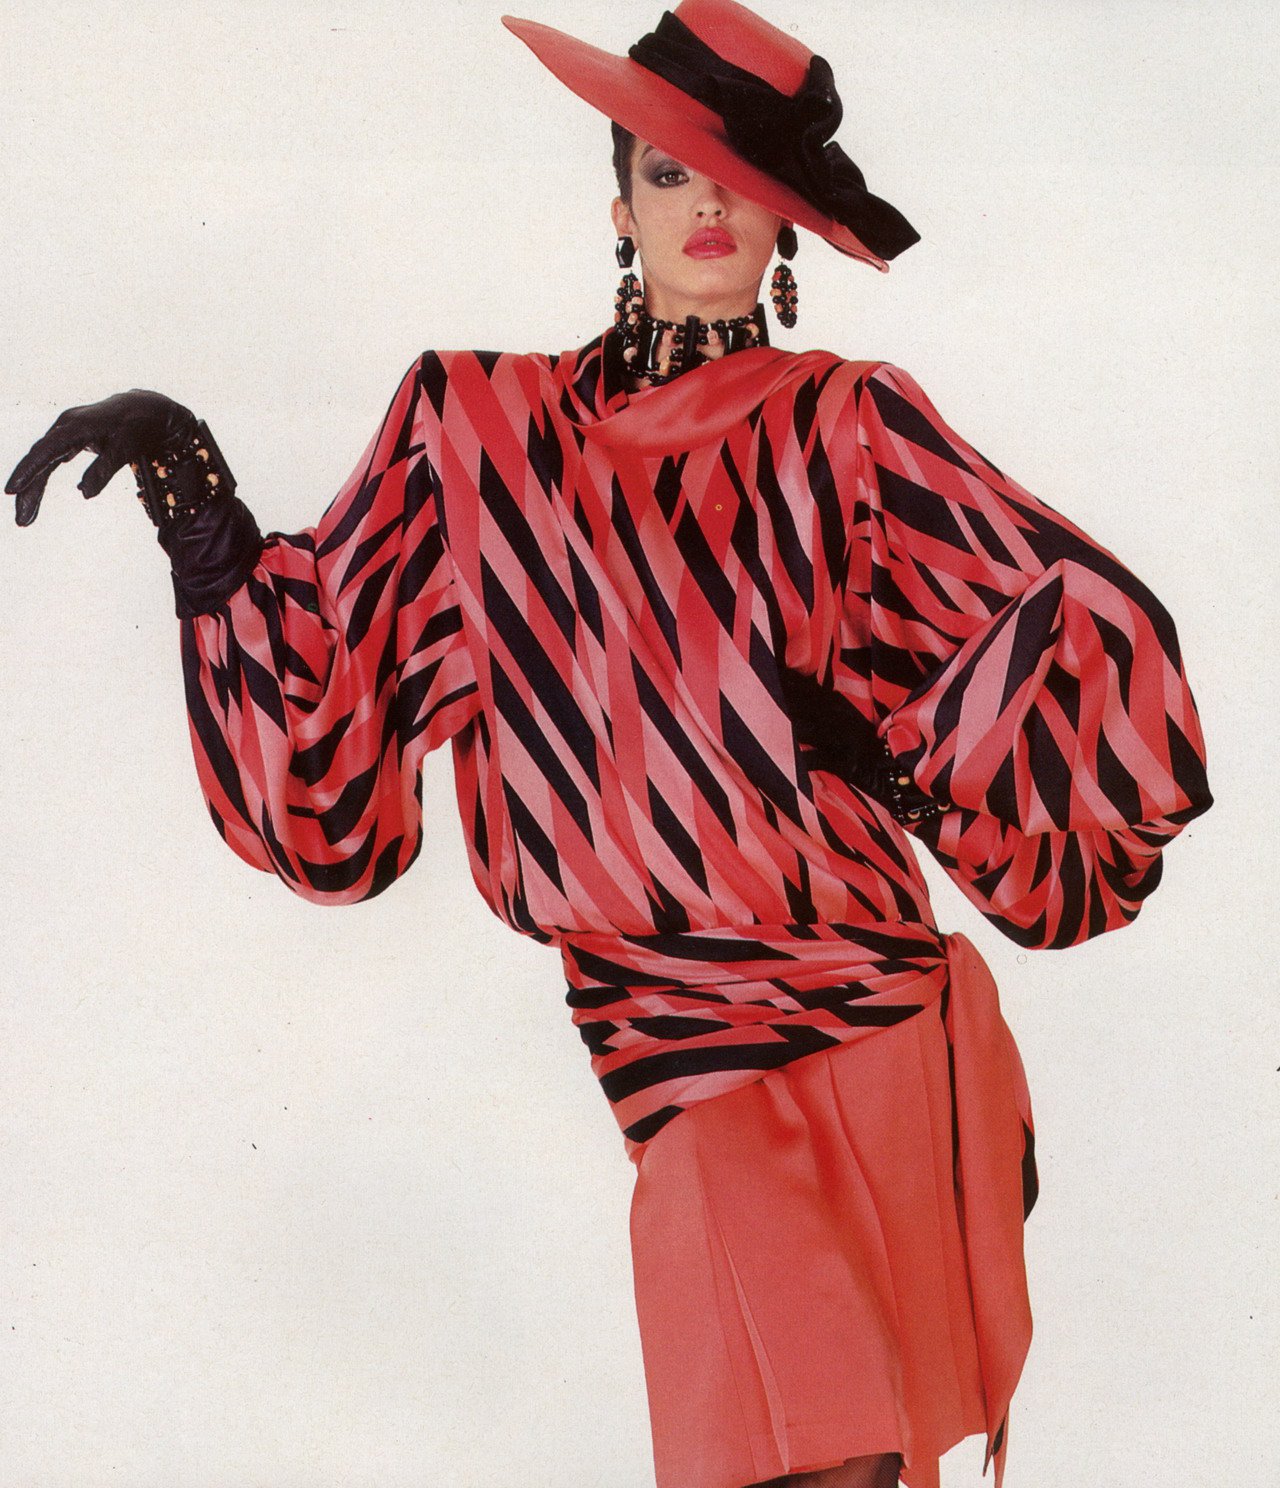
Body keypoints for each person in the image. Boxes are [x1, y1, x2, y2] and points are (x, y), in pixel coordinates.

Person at [4, 2, 1212, 1486]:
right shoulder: (477, 431)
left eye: (743, 183)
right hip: (665, 1036)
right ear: (619, 199)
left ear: (785, 224)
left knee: (843, 1464)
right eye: (669, 171)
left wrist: (900, 761)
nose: (708, 208)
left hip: (870, 1010)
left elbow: (1089, 631)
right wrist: (197, 511)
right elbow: (333, 713)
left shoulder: (849, 425)